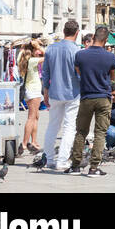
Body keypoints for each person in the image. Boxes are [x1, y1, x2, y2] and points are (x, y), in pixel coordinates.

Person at [68, 25, 115, 177]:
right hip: (103, 97)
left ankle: (75, 166)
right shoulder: (110, 56)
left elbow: (78, 71)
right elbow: (113, 76)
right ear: (106, 39)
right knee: (100, 133)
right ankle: (94, 167)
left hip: (86, 97)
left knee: (81, 131)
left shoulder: (81, 55)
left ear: (94, 37)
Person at [38, 19, 80, 170]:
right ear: (77, 33)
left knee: (53, 125)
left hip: (54, 91)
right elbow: (79, 74)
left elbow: (45, 72)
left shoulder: (51, 48)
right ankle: (62, 160)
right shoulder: (77, 51)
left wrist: (46, 91)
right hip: (73, 92)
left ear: (63, 31)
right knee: (69, 127)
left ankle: (49, 159)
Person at [18, 39, 44, 154]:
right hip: (34, 91)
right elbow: (49, 56)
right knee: (31, 117)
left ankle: (33, 141)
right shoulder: (32, 61)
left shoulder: (22, 59)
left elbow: (21, 52)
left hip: (29, 90)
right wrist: (38, 46)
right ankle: (24, 143)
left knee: (36, 116)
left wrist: (27, 46)